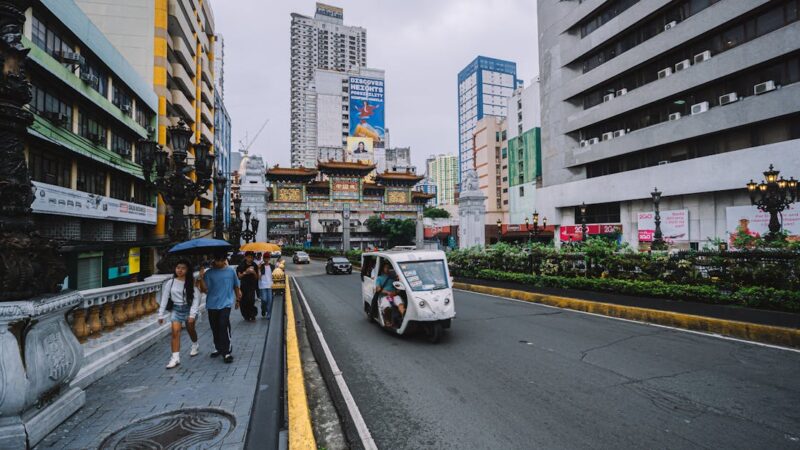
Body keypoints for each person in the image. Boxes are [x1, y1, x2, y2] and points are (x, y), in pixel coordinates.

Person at [198, 252, 241, 363]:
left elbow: (236, 286)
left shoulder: (231, 271)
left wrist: (238, 300)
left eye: (220, 260)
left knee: (223, 325)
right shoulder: (209, 273)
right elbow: (204, 290)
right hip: (212, 304)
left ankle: (226, 352)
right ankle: (218, 347)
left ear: (224, 260)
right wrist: (201, 277)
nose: (218, 262)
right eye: (216, 260)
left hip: (225, 304)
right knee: (215, 328)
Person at [158, 259, 201, 369]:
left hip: (188, 309)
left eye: (183, 268)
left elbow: (196, 299)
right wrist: (160, 314)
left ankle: (195, 344)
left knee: (190, 329)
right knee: (175, 333)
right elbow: (164, 298)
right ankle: (175, 358)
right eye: (178, 268)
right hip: (176, 310)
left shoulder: (191, 282)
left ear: (187, 270)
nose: (180, 270)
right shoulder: (170, 282)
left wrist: (192, 315)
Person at [375, 262, 405, 327]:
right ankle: (387, 321)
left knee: (401, 305)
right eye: (386, 267)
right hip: (385, 296)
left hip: (394, 295)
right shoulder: (379, 278)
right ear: (383, 268)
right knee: (387, 307)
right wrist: (387, 292)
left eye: (389, 267)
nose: (388, 269)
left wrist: (396, 292)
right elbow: (378, 289)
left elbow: (398, 287)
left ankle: (404, 320)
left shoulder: (393, 277)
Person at [236, 251, 260, 321]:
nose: (250, 259)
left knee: (251, 301)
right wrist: (246, 272)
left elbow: (257, 277)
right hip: (244, 286)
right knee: (243, 302)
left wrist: (254, 272)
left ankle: (252, 315)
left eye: (252, 257)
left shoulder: (254, 265)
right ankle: (246, 315)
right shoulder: (241, 265)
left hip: (252, 286)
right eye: (249, 257)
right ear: (245, 257)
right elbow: (239, 277)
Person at [258, 254, 274, 319]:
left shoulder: (272, 266)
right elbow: (259, 277)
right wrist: (258, 269)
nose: (266, 259)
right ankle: (263, 308)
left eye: (268, 258)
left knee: (270, 300)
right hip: (262, 285)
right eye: (265, 258)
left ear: (269, 258)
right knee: (264, 299)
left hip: (270, 285)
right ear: (263, 258)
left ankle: (269, 313)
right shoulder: (260, 266)